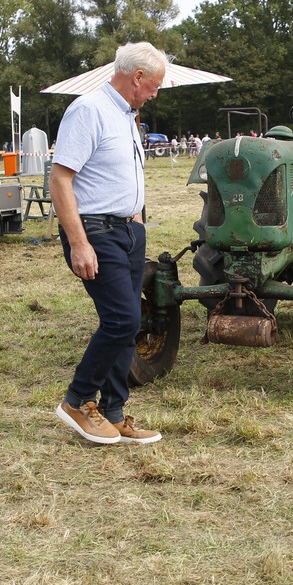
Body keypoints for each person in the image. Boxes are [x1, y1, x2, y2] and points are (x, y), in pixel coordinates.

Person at [50, 41, 168, 446]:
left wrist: (137, 224)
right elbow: (60, 179)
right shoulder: (89, 110)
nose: (155, 94)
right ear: (137, 77)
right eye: (154, 85)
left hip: (128, 232)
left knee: (126, 322)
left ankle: (115, 412)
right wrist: (79, 242)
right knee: (122, 320)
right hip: (97, 231)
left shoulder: (126, 116)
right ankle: (77, 400)